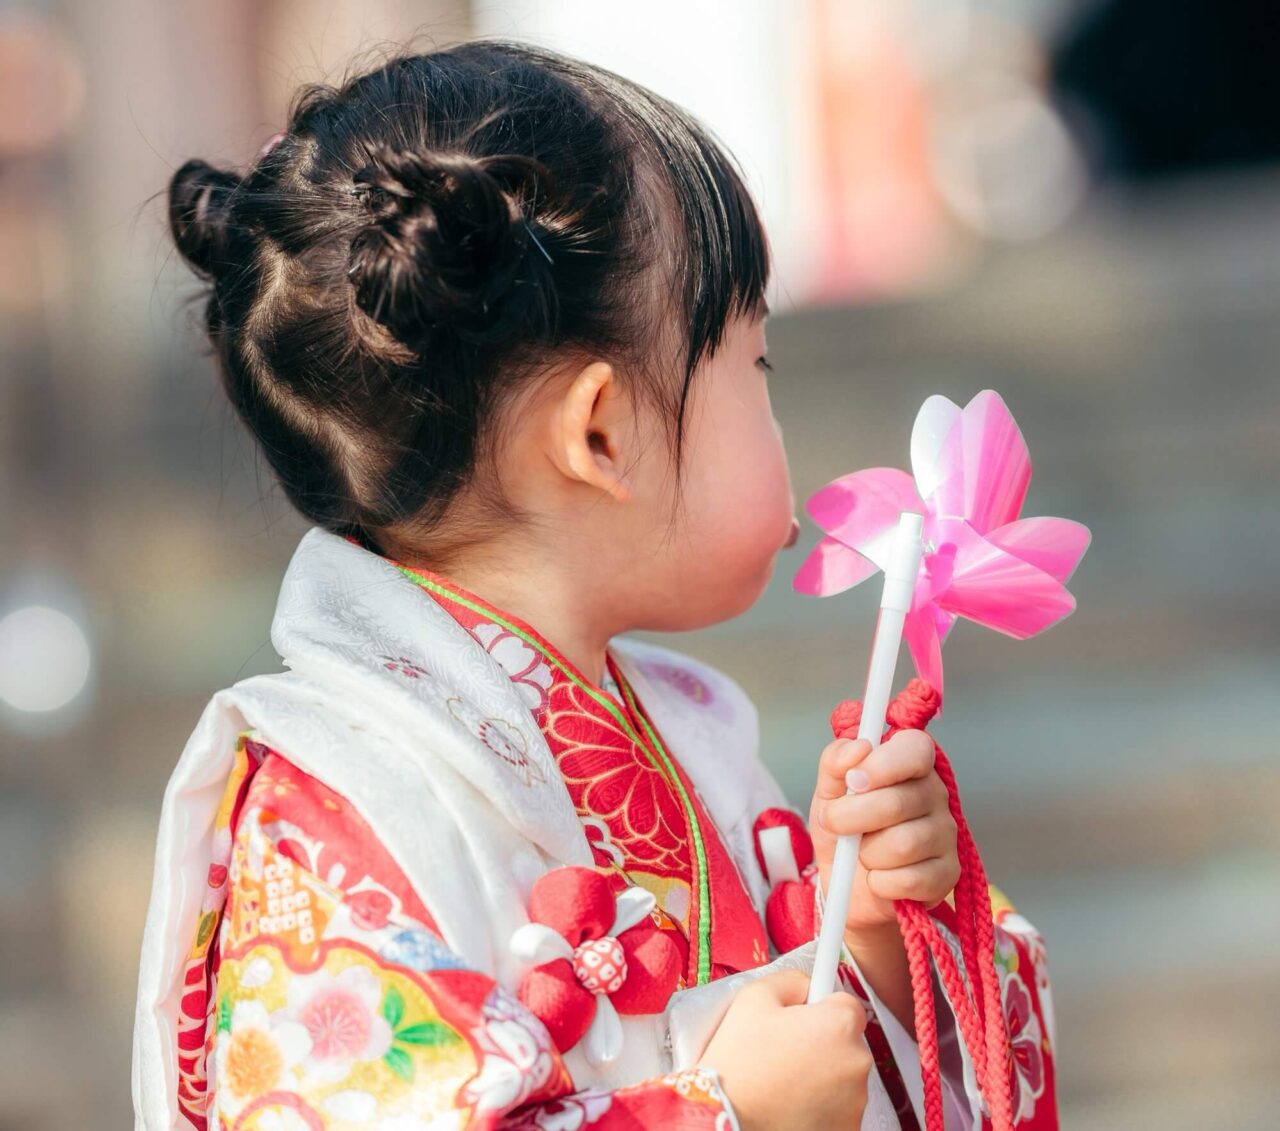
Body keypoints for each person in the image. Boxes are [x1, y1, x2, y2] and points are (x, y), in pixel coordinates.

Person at [133, 41, 1057, 1131]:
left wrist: (871, 939)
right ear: (602, 432)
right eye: (748, 365)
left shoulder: (692, 737)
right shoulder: (330, 804)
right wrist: (721, 1115)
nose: (770, 408)